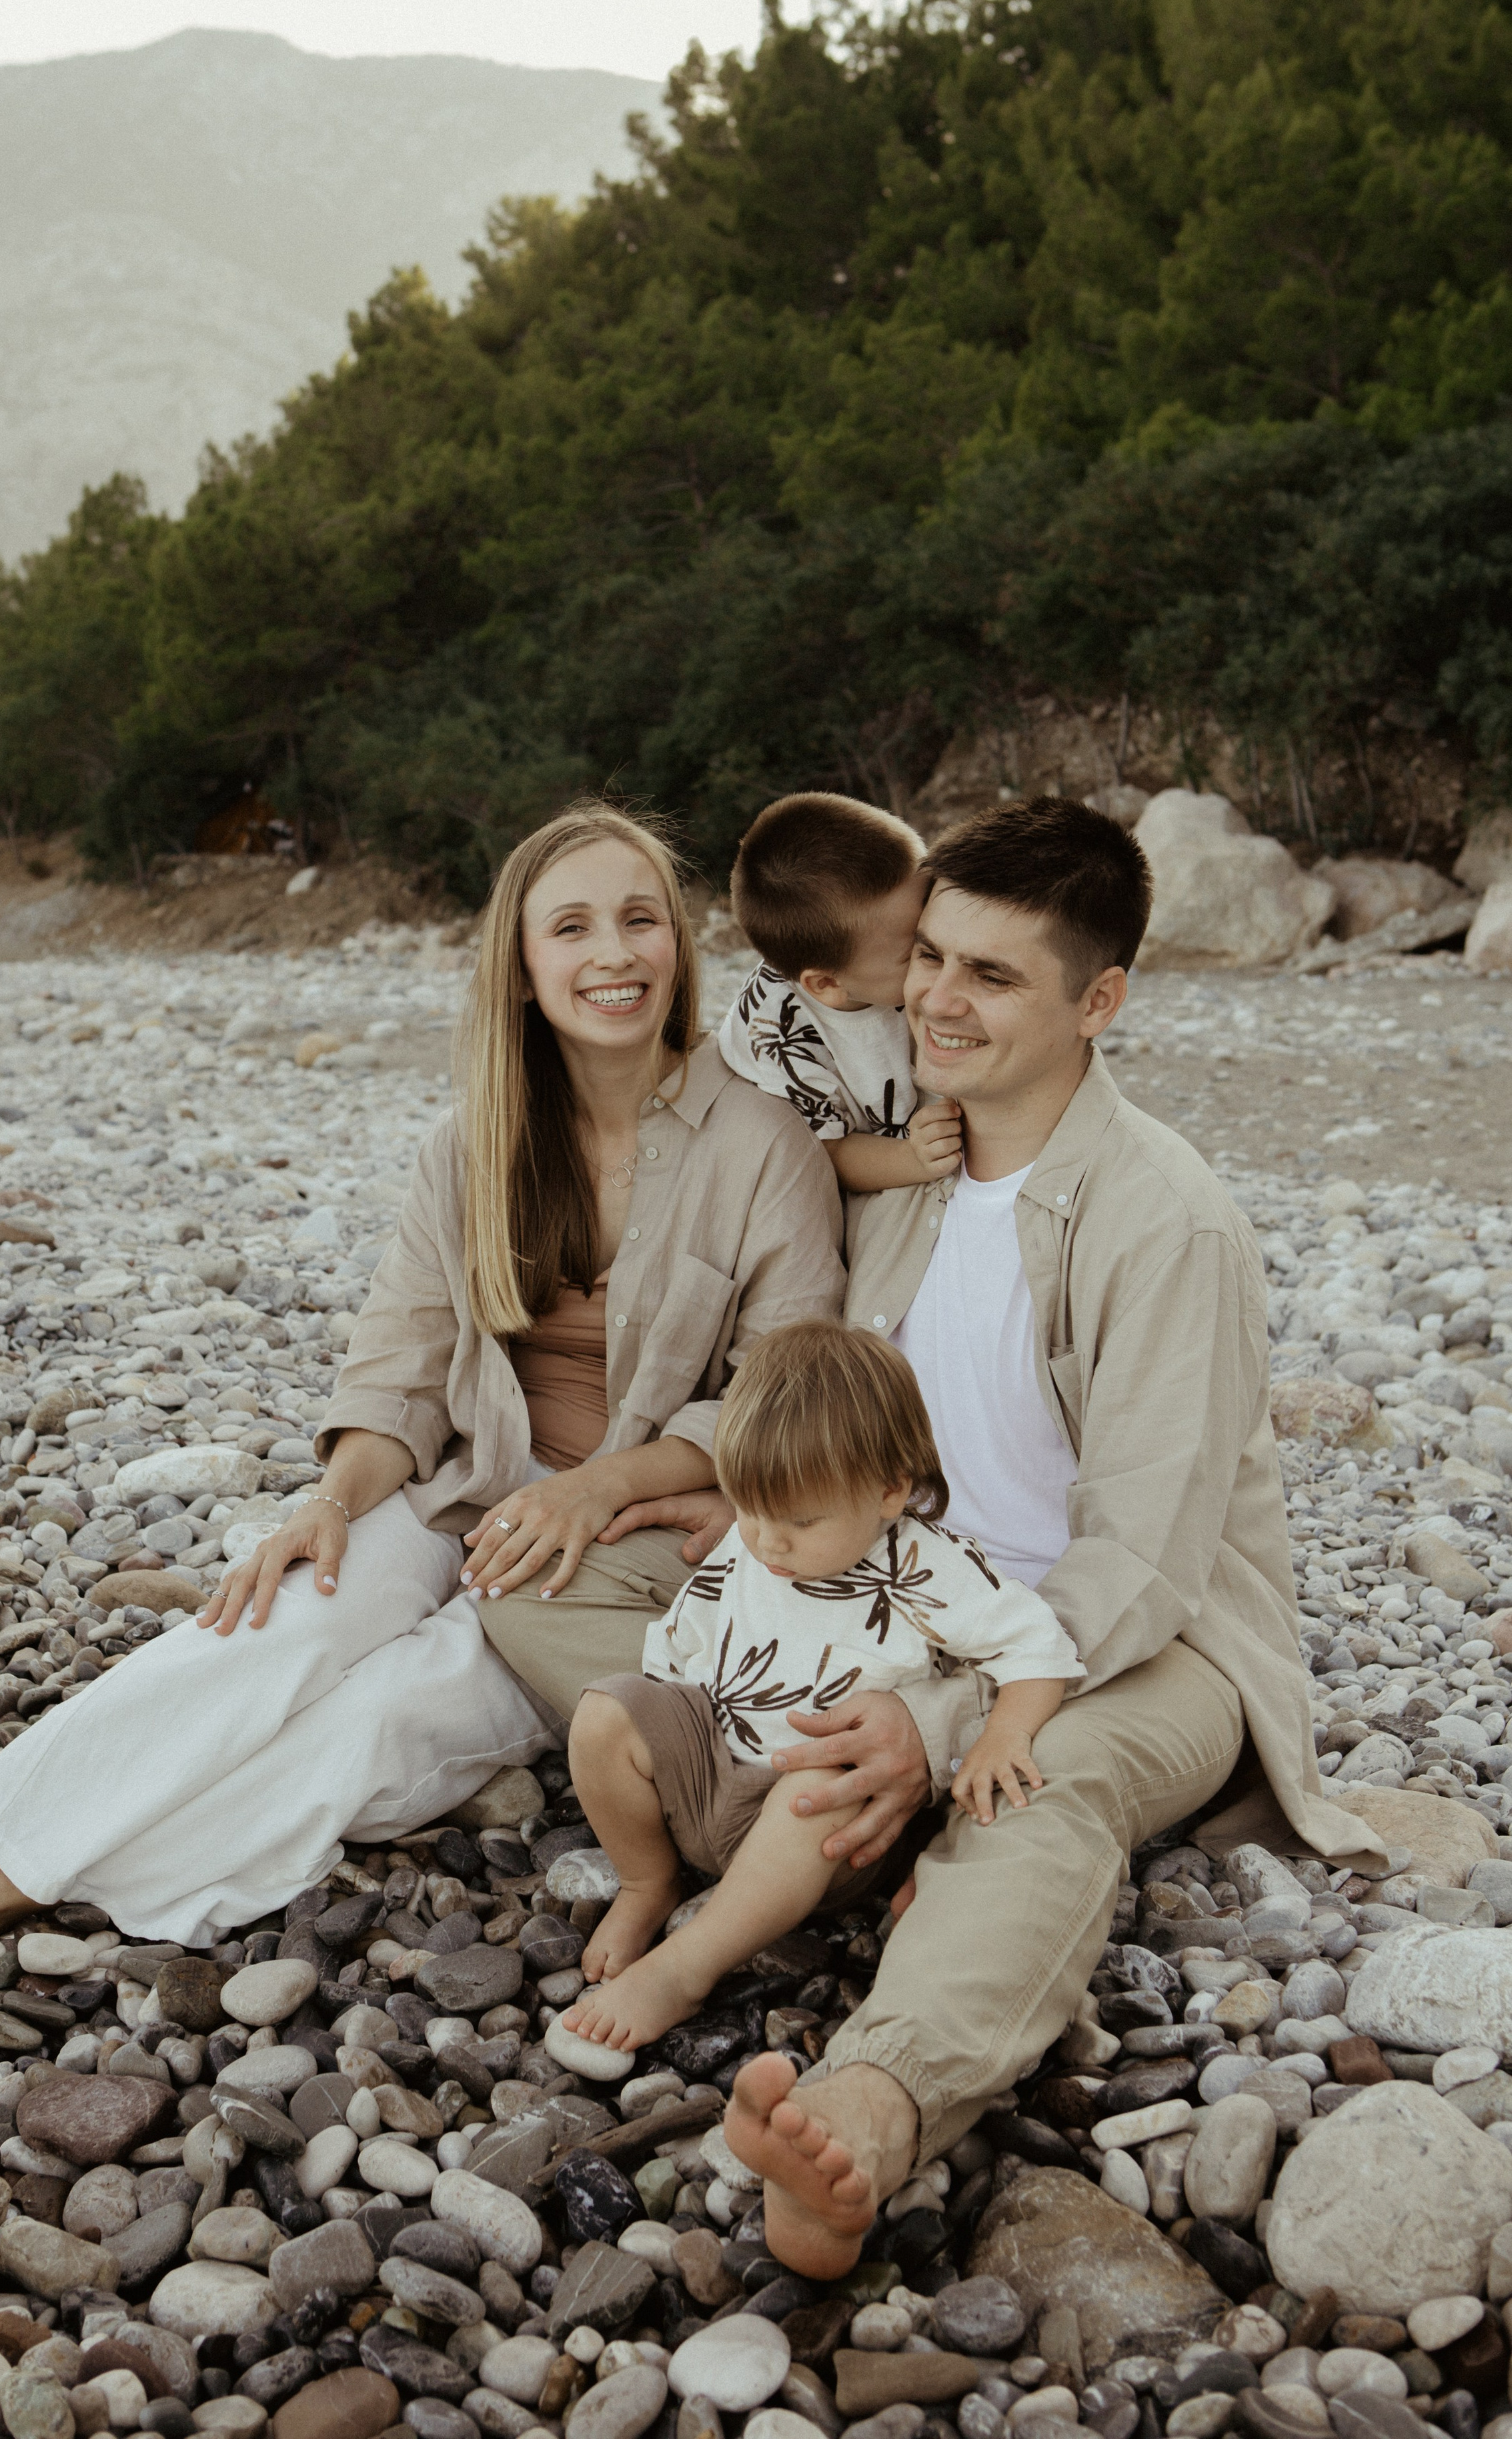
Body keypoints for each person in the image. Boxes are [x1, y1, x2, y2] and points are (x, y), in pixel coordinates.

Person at [480, 793, 1390, 2281]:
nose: (938, 1001)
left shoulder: (1164, 1221)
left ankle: (872, 2105)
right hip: (890, 1586)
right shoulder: (900, 1179)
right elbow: (825, 1407)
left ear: (1098, 1002)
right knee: (548, 1591)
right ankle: (829, 1810)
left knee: (1038, 1785)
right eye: (931, 957)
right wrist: (744, 1502)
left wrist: (943, 1716)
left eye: (992, 975)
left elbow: (1142, 1563)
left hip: (1129, 1649)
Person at [0, 803, 844, 1964]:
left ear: (678, 946)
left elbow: (780, 1398)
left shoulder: (766, 1144)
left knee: (382, 1717)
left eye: (640, 920)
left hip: (627, 1541)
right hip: (465, 1489)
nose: (615, 954)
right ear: (521, 967)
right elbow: (401, 1368)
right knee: (264, 1632)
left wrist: (596, 1490)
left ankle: (3, 1896)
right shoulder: (472, 1144)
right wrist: (331, 1502)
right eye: (573, 928)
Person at [558, 1320, 1080, 2053]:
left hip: (821, 1829)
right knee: (604, 1713)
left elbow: (1038, 1649)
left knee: (817, 1792)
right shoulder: (753, 1542)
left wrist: (1003, 1735)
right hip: (715, 1774)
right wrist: (651, 1742)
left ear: (890, 1490)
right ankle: (649, 1882)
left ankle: (686, 1967)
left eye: (800, 1522)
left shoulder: (926, 1568)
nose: (767, 1541)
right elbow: (680, 1648)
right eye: (750, 1509)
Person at [718, 791, 961, 1192]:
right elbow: (829, 1154)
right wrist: (912, 1159)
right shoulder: (779, 1043)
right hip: (858, 1149)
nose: (940, 948)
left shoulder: (874, 952)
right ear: (828, 985)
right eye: (919, 953)